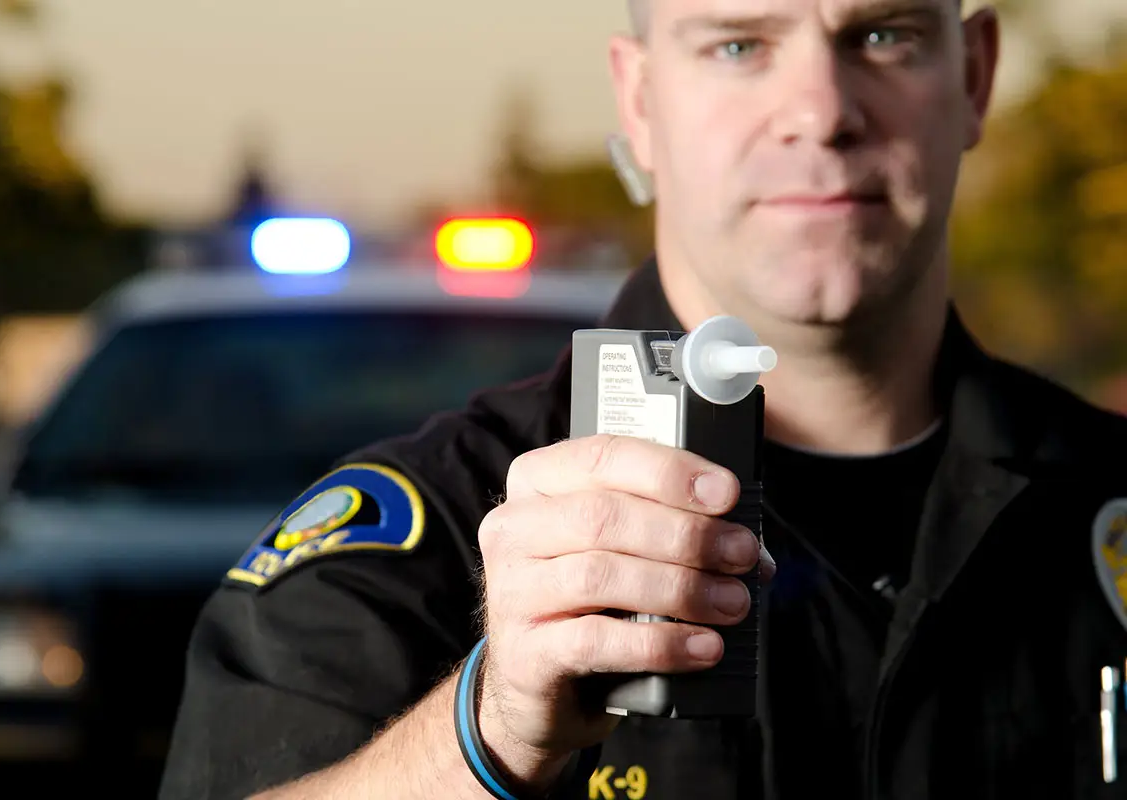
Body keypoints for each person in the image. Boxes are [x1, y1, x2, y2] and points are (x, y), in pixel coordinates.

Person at [159, 1, 1127, 797]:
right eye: (740, 45)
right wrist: (489, 730)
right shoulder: (430, 531)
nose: (822, 111)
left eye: (884, 36)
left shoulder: (1106, 504)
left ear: (972, 77)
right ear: (641, 99)